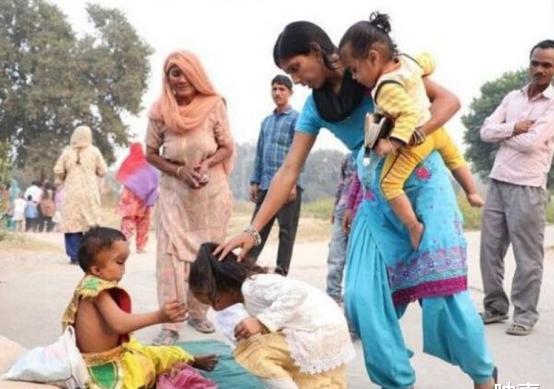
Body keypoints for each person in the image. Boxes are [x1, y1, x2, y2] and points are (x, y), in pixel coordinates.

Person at [216, 21, 497, 389]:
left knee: (443, 293)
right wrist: (252, 232)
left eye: (296, 68)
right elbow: (289, 171)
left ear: (317, 51)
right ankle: (398, 382)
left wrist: (406, 137)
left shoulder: (377, 72)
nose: (295, 80)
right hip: (376, 197)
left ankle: (483, 377)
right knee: (362, 299)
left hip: (424, 186)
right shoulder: (316, 108)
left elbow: (448, 102)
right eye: (288, 73)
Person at [338, 13, 483, 249]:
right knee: (454, 158)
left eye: (354, 70)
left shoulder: (385, 88)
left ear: (373, 58)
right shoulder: (407, 63)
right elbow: (429, 61)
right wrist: (421, 73)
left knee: (389, 184)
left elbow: (407, 113)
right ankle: (472, 191)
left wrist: (394, 143)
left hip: (417, 139)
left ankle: (413, 226)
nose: (354, 78)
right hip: (438, 130)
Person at [145, 50, 234, 342]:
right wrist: (179, 171)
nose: (179, 79)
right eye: (173, 73)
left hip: (210, 194)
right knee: (169, 258)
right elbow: (151, 153)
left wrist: (205, 164)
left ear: (195, 74)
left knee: (206, 256)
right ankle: (171, 323)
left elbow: (226, 146)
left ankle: (198, 312)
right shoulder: (160, 110)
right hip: (174, 193)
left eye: (183, 72)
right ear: (167, 78)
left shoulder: (214, 105)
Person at [61, 226, 217, 389]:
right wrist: (159, 316)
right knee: (145, 366)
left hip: (115, 354)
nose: (124, 270)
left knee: (157, 353)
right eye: (119, 263)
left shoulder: (89, 284)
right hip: (103, 367)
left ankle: (190, 359)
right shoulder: (97, 290)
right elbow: (120, 324)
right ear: (96, 270)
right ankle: (184, 363)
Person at [190, 242, 354, 389]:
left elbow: (297, 292)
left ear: (222, 286)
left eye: (213, 300)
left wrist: (262, 321)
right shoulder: (248, 292)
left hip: (321, 331)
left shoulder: (253, 286)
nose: (216, 308)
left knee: (251, 350)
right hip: (328, 332)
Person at [479, 39, 554, 336]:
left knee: (527, 256)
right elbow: (485, 131)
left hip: (528, 187)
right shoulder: (513, 97)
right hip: (498, 182)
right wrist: (513, 128)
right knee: (489, 251)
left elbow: (532, 143)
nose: (539, 69)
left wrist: (504, 134)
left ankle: (524, 315)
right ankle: (495, 307)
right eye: (535, 62)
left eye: (546, 65)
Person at [249, 75, 301, 276]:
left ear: (290, 92)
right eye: (274, 89)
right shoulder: (266, 122)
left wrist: (294, 183)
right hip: (265, 185)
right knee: (256, 229)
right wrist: (255, 180)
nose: (277, 93)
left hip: (288, 187)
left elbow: (299, 153)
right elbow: (260, 153)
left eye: (282, 89)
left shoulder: (297, 119)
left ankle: (281, 276)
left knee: (286, 234)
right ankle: (247, 270)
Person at [53, 125, 108, 264]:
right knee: (91, 223)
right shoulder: (94, 151)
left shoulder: (67, 152)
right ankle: (91, 255)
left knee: (72, 224)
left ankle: (74, 256)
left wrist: (65, 175)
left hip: (72, 193)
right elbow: (103, 171)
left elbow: (58, 170)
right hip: (90, 192)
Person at [116, 142, 159, 254]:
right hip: (143, 200)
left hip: (129, 197)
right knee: (143, 223)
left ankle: (125, 242)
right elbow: (154, 180)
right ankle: (140, 246)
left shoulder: (128, 162)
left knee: (128, 220)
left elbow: (122, 176)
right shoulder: (147, 164)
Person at [326, 152, 356, 303]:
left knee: (356, 259)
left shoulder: (373, 154)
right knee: (335, 255)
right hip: (341, 210)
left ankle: (352, 296)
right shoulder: (348, 158)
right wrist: (335, 207)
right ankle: (333, 295)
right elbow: (341, 183)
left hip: (360, 213)